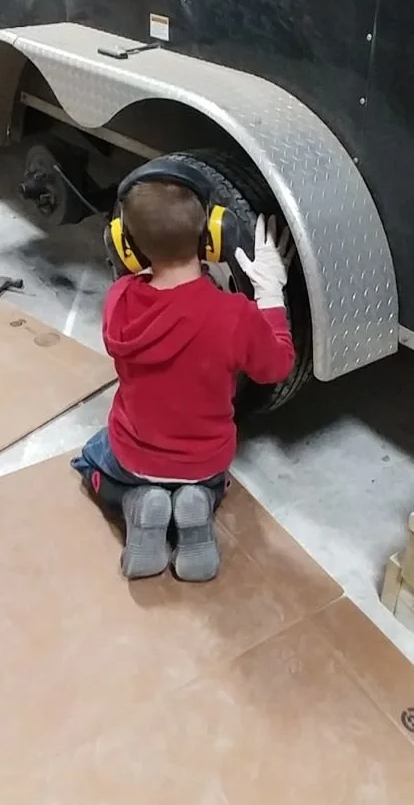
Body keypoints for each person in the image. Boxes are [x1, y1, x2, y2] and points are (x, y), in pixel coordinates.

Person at [73, 178, 294, 581]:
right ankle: (199, 503)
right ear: (210, 238)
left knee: (90, 456)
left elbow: (140, 286)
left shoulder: (119, 299)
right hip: (204, 463)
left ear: (126, 245)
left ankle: (137, 502)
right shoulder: (235, 315)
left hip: (135, 458)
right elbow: (277, 366)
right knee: (207, 480)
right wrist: (270, 295)